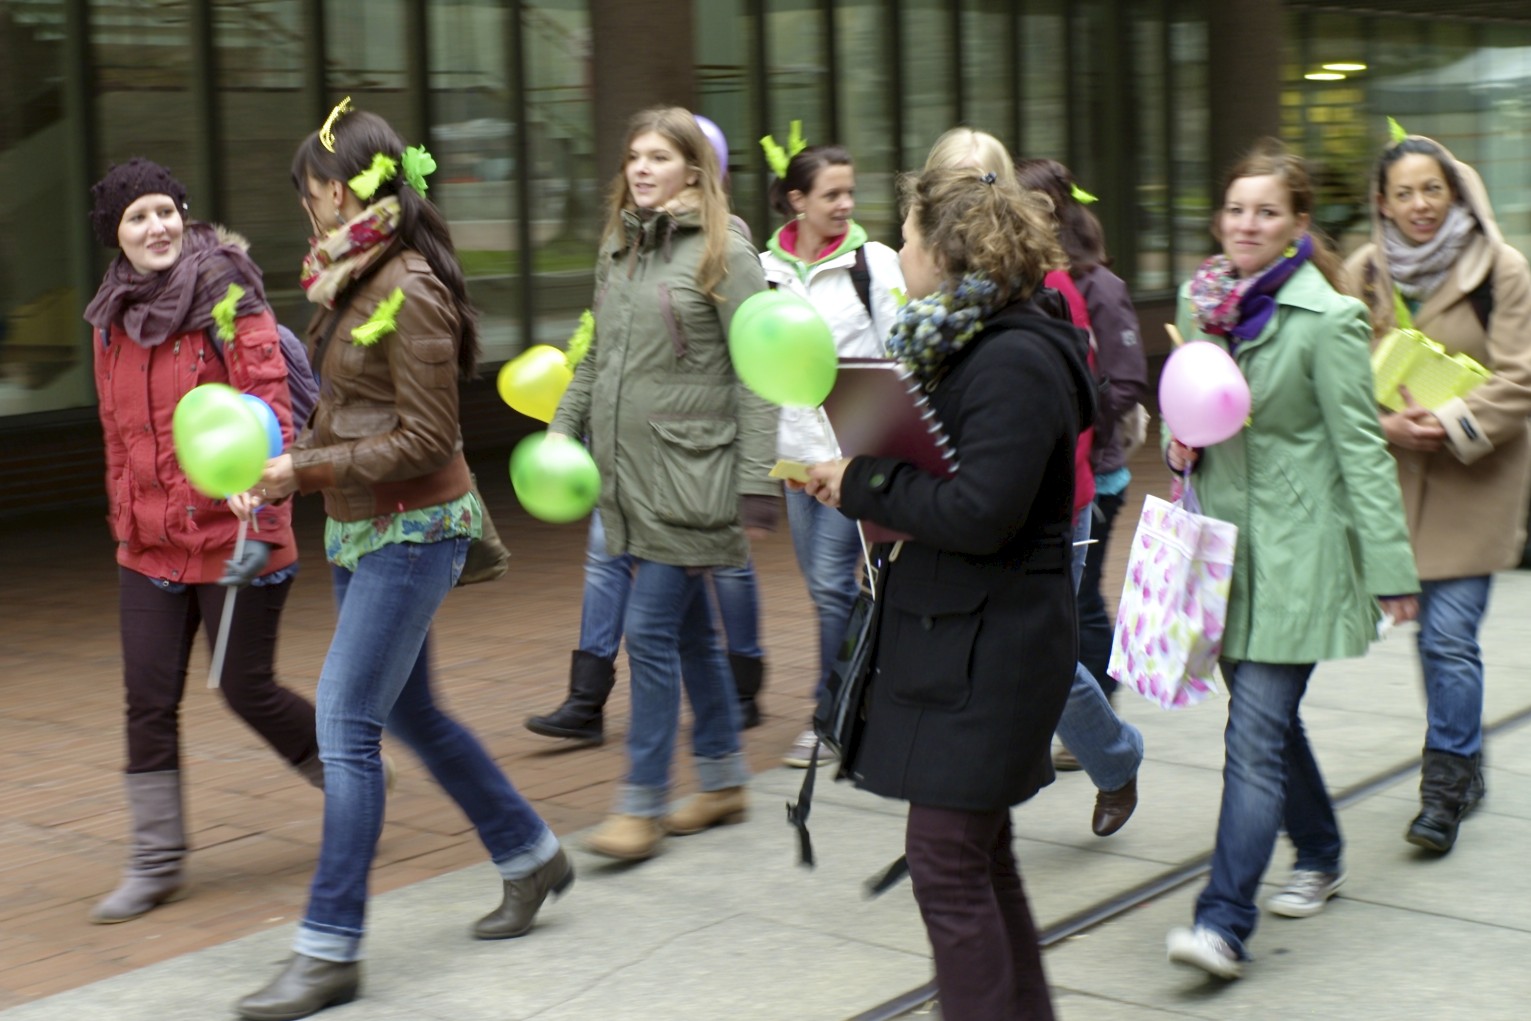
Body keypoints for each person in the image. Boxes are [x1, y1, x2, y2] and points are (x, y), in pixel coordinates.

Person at [235, 102, 569, 1021]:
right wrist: (275, 473)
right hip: (361, 524)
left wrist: (301, 469)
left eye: (311, 193)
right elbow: (348, 406)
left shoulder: (406, 285)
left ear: (341, 192)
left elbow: (426, 435)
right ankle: (532, 855)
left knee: (347, 724)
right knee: (412, 709)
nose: (308, 210)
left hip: (415, 528)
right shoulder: (353, 275)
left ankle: (328, 947)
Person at [805, 164, 1093, 1021]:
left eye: (906, 234)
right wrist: (864, 474)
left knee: (946, 861)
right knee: (979, 855)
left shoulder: (1011, 359)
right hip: (971, 634)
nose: (895, 250)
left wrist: (865, 481)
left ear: (947, 248)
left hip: (993, 646)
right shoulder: (974, 342)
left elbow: (980, 510)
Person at [1163, 139, 1419, 980]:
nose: (1246, 224)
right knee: (1268, 729)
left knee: (1252, 738)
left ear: (1297, 224)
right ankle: (1320, 846)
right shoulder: (1204, 304)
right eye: (1235, 209)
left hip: (1299, 557)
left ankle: (1222, 921)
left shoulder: (1328, 318)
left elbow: (1360, 451)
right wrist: (1180, 447)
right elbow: (1196, 420)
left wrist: (1390, 570)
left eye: (1266, 211)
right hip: (1221, 560)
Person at [83, 158, 320, 925]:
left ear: (183, 213)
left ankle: (352, 782)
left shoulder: (229, 296)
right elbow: (119, 436)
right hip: (148, 544)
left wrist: (269, 499)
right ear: (115, 236)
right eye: (137, 217)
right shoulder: (110, 320)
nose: (156, 227)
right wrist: (126, 519)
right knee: (146, 698)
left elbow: (268, 404)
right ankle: (155, 861)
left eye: (165, 210)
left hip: (236, 532)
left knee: (244, 687)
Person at [549, 106, 778, 862]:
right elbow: (594, 358)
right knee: (685, 633)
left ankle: (641, 803)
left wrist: (753, 484)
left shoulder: (724, 253)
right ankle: (720, 777)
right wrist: (561, 431)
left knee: (647, 629)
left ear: (693, 170)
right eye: (634, 157)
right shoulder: (619, 248)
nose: (641, 169)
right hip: (629, 478)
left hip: (694, 476)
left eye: (659, 157)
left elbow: (760, 373)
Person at [923, 127, 1143, 837]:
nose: (956, 202)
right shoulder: (926, 281)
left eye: (971, 184)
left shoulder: (1047, 283)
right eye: (944, 186)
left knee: (1038, 654)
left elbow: (1071, 403)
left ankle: (1111, 756)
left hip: (1048, 501)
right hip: (962, 500)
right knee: (998, 649)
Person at [1343, 133, 1531, 855]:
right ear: (1381, 203)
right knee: (1432, 642)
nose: (1419, 205)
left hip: (1472, 484)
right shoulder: (1362, 273)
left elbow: (1519, 377)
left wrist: (1452, 421)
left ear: (1453, 192)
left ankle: (1443, 786)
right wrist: (1385, 421)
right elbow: (1338, 373)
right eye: (1404, 193)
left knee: (1448, 635)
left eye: (1433, 189)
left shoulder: (1501, 268)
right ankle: (1465, 755)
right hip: (1391, 488)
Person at [757, 141, 904, 769]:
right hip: (795, 463)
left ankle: (833, 715)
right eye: (831, 195)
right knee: (830, 591)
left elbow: (899, 358)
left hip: (853, 459)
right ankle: (865, 700)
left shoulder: (874, 264)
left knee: (828, 583)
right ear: (797, 200)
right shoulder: (765, 268)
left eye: (850, 193)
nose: (846, 204)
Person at [1013, 157, 1150, 713]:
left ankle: (1097, 703)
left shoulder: (1098, 286)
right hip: (1053, 472)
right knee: (1063, 596)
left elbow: (1127, 381)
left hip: (1098, 473)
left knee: (1080, 597)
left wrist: (1071, 426)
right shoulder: (1027, 280)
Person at [523, 509, 768, 742]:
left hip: (701, 473)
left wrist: (757, 500)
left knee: (729, 563)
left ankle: (741, 693)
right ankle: (586, 700)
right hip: (626, 471)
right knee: (605, 554)